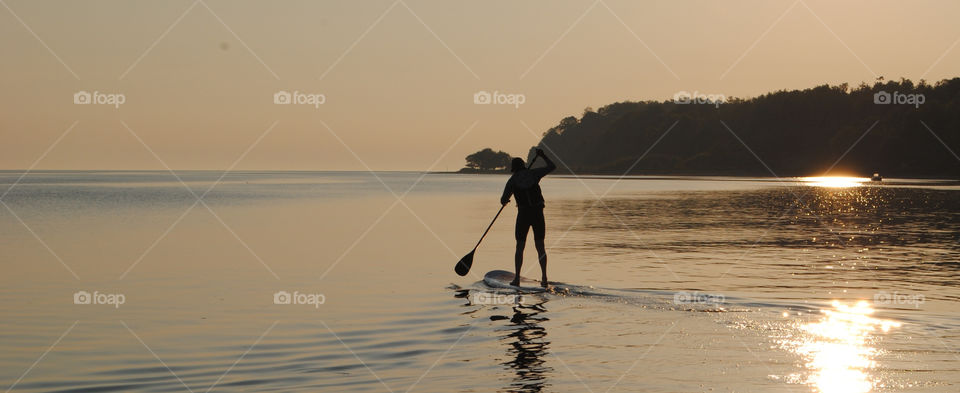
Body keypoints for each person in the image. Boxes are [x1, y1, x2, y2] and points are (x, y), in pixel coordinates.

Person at [500, 149, 556, 287]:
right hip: (537, 214)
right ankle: (544, 279)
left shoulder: (512, 181)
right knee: (540, 246)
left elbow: (503, 200)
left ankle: (517, 279)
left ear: (514, 169)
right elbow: (552, 167)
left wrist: (506, 200)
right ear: (523, 165)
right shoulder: (534, 174)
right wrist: (543, 156)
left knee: (520, 246)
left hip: (524, 215)